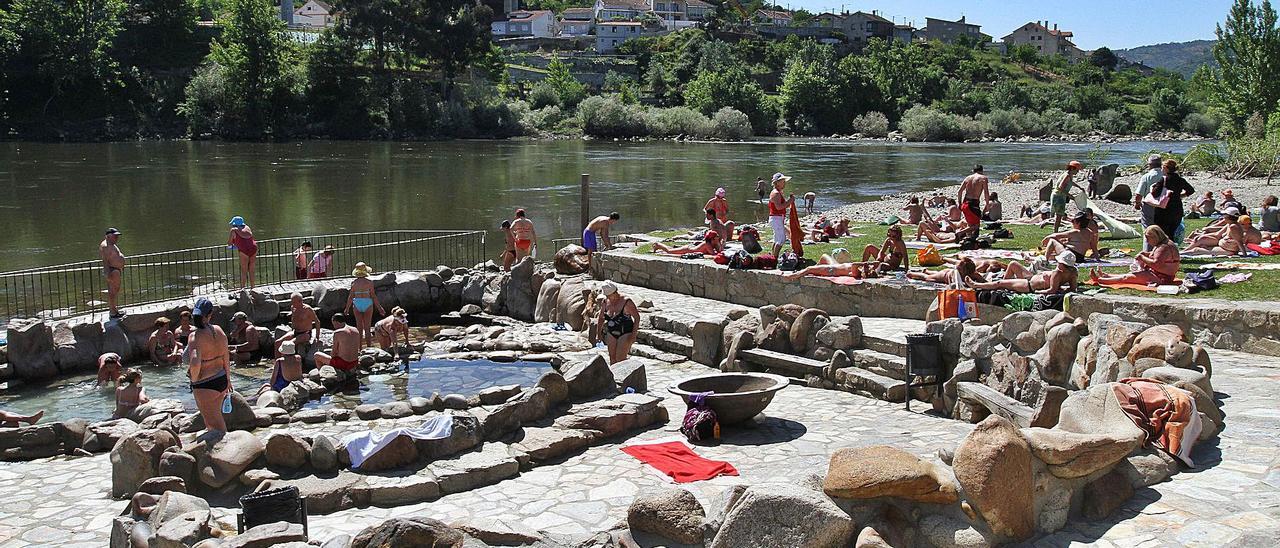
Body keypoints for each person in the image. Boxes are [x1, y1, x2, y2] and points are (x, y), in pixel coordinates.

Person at [187, 297, 231, 436]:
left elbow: (195, 362)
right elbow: (226, 356)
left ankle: (225, 449)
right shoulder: (219, 330)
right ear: (210, 314)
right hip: (221, 378)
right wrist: (228, 379)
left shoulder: (195, 336)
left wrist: (193, 380)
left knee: (214, 422)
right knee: (214, 418)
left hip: (204, 384)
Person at [1091, 226, 1180, 287]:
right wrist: (1147, 254)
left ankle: (1100, 280)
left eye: (1148, 238)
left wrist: (1142, 258)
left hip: (1161, 278)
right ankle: (1107, 276)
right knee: (1131, 275)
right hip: (1161, 275)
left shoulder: (1164, 247)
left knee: (1126, 278)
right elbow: (1160, 257)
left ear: (1155, 237)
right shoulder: (1165, 244)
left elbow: (1157, 264)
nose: (1147, 241)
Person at [972, 253, 1079, 294]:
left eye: (1060, 262)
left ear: (1065, 266)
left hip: (1028, 285)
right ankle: (1005, 284)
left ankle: (976, 285)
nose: (1057, 263)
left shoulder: (1057, 273)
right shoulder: (1073, 272)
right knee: (1013, 263)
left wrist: (1038, 292)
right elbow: (1073, 289)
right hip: (1031, 278)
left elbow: (1052, 290)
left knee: (999, 283)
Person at [1150, 159, 1195, 244]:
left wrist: (1153, 187)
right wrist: (1181, 196)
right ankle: (1172, 249)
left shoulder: (1164, 180)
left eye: (1163, 168)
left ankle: (1164, 250)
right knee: (1172, 231)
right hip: (1177, 208)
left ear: (1166, 168)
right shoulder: (1180, 180)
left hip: (1164, 209)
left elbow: (1154, 194)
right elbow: (1190, 190)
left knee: (1163, 232)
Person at [597, 281, 640, 364]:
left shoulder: (626, 302)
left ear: (614, 292)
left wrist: (633, 335)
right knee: (612, 359)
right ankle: (613, 376)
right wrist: (598, 333)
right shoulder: (605, 302)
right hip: (611, 332)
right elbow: (601, 318)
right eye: (607, 296)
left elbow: (637, 318)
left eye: (609, 296)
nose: (608, 297)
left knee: (620, 359)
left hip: (625, 332)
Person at [346, 262, 384, 347]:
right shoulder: (369, 282)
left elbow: (351, 297)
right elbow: (373, 296)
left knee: (359, 328)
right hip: (367, 303)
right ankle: (369, 347)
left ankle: (359, 348)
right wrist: (380, 308)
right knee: (367, 328)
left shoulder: (354, 283)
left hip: (357, 303)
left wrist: (347, 308)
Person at [1133, 155, 1164, 250]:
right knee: (1162, 230)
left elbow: (1139, 194)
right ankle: (1163, 251)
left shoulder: (1147, 177)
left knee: (1148, 230)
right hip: (1164, 205)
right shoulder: (1166, 175)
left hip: (1149, 205)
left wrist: (1137, 203)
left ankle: (1148, 252)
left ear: (1150, 165)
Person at [1051, 161, 1086, 233]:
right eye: (1077, 170)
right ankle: (1055, 232)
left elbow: (1071, 182)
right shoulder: (1066, 176)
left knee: (1059, 215)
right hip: (1058, 197)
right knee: (1059, 216)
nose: (1078, 172)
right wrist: (1070, 196)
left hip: (1060, 196)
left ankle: (1056, 231)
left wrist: (1079, 187)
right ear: (1072, 168)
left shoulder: (1069, 175)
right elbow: (1061, 188)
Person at [767, 173, 796, 256]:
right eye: (782, 181)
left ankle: (773, 256)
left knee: (777, 239)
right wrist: (790, 201)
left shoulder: (778, 192)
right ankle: (774, 258)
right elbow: (779, 207)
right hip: (776, 218)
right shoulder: (776, 193)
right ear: (777, 182)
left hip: (777, 218)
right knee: (781, 239)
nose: (784, 183)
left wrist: (789, 201)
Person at [99, 228, 125, 319]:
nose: (117, 238)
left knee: (115, 291)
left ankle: (114, 310)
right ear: (108, 236)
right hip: (112, 271)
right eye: (115, 236)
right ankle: (113, 312)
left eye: (117, 236)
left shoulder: (111, 244)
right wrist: (108, 274)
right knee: (113, 292)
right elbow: (105, 261)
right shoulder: (105, 246)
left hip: (115, 270)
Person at [907, 257, 985, 286]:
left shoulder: (973, 273)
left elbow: (983, 280)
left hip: (945, 272)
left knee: (937, 274)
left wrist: (982, 281)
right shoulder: (955, 274)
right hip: (945, 275)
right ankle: (912, 273)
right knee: (928, 278)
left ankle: (926, 270)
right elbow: (956, 285)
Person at [227, 216, 258, 290]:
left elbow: (229, 243)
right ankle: (253, 288)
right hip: (253, 248)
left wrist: (233, 245)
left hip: (244, 250)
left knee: (244, 270)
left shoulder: (233, 231)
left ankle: (243, 288)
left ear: (234, 224)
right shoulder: (247, 227)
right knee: (251, 269)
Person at [958, 164, 990, 231]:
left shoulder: (967, 178)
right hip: (973, 204)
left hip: (965, 203)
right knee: (976, 226)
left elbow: (959, 191)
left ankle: (968, 239)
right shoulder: (983, 178)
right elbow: (986, 192)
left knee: (970, 224)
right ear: (982, 170)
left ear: (973, 171)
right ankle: (960, 233)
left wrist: (960, 203)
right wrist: (987, 205)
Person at [653, 230, 721, 256]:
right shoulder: (707, 244)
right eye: (717, 236)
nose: (718, 237)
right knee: (669, 251)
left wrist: (718, 244)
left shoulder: (714, 243)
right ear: (713, 238)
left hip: (690, 248)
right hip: (687, 249)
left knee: (671, 250)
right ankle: (658, 245)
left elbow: (719, 251)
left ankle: (659, 247)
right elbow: (713, 254)